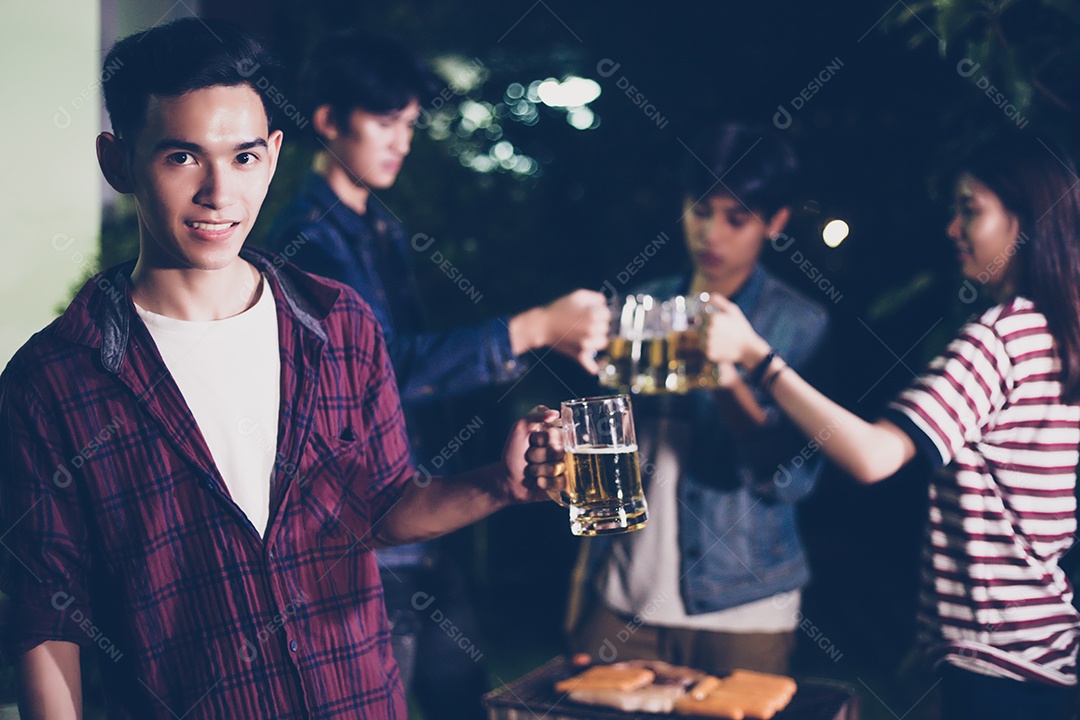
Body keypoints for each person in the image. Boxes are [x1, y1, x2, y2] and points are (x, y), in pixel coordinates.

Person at [0, 18, 563, 720]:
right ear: (118, 162)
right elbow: (47, 618)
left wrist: (499, 486)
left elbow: (383, 508)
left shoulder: (340, 324)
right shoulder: (53, 381)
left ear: (271, 155)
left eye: (242, 158)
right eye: (182, 157)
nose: (218, 193)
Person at [265, 30, 609, 718]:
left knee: (466, 701)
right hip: (363, 539)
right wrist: (534, 328)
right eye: (386, 122)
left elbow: (414, 359)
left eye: (410, 124)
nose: (402, 141)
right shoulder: (308, 241)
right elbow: (383, 370)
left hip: (424, 509)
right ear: (330, 120)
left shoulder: (378, 230)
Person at [698, 130, 1080, 719]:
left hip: (1000, 663)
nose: (952, 228)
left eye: (970, 211)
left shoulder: (1002, 334)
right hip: (1035, 652)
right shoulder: (1055, 330)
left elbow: (874, 456)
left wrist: (757, 358)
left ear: (1025, 222)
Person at [566, 122, 830, 675]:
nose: (713, 234)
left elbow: (789, 477)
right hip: (624, 597)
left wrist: (729, 374)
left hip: (741, 608)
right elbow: (600, 460)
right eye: (701, 210)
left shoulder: (796, 322)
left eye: (737, 219)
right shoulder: (642, 304)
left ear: (775, 223)